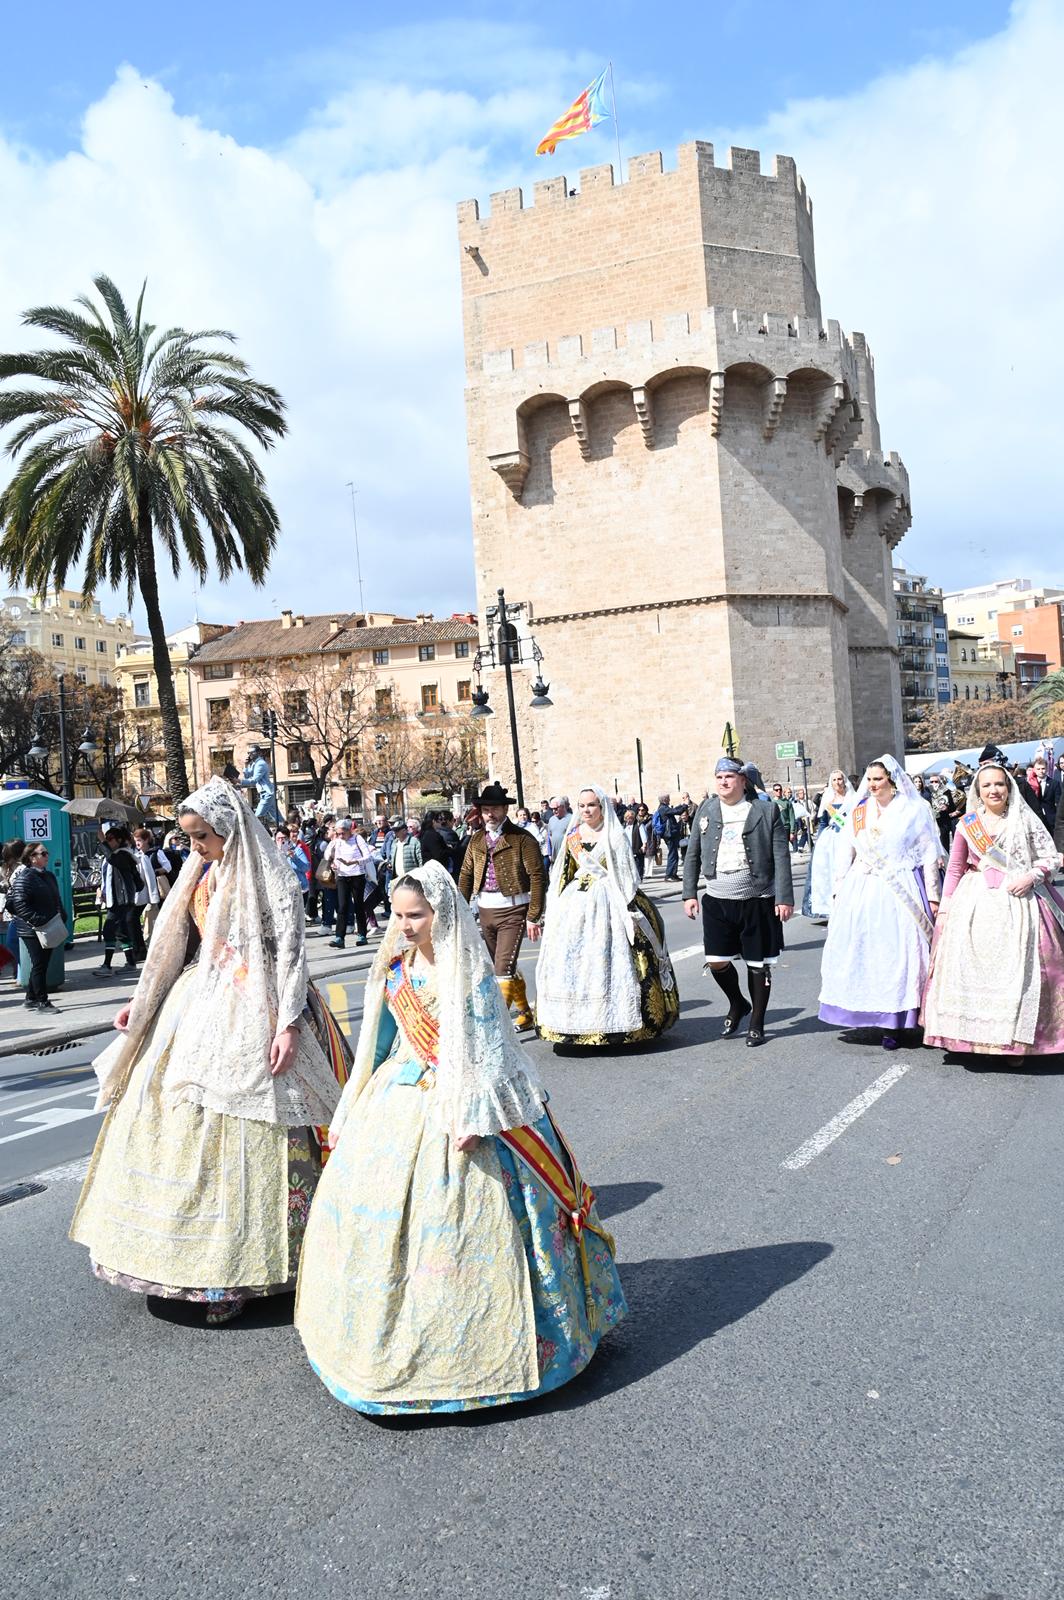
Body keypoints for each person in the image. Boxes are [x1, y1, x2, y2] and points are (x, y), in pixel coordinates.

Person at [294, 863, 626, 1413]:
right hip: (400, 1099)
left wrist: (472, 1114)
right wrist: (357, 1101)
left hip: (463, 1103)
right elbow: (378, 1043)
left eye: (415, 916)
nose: (403, 926)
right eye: (398, 915)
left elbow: (490, 1048)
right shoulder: (395, 968)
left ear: (441, 914)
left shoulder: (467, 972)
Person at [69, 777, 348, 1326]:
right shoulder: (200, 872)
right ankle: (186, 1258)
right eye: (189, 836)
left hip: (262, 1005)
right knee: (175, 1117)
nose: (195, 845)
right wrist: (140, 1004)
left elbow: (291, 954)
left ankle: (251, 1266)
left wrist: (288, 1024)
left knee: (261, 1125)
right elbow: (177, 943)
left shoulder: (271, 877)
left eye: (202, 836)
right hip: (198, 1001)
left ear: (228, 829)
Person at [921, 750, 1064, 1056]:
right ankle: (974, 1037)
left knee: (1028, 970)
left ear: (1008, 787)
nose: (993, 790)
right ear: (978, 791)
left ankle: (1018, 1044)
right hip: (975, 903)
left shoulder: (1025, 819)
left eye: (999, 784)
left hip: (1021, 900)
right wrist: (945, 908)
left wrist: (1032, 877)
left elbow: (1050, 858)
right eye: (986, 786)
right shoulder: (968, 824)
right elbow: (955, 868)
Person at [536, 786, 679, 1047]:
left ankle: (621, 1023)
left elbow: (626, 873)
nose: (586, 810)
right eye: (582, 806)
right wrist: (554, 909)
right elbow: (564, 874)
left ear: (602, 808)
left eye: (591, 805)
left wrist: (627, 905)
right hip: (576, 903)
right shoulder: (573, 837)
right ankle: (575, 1023)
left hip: (611, 900)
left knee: (618, 957)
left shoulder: (614, 835)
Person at [818, 755, 941, 1048]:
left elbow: (928, 854)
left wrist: (933, 894)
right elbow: (846, 850)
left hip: (900, 888)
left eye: (878, 779)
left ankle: (897, 1021)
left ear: (892, 780)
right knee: (867, 951)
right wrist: (838, 887)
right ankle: (872, 1011)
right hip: (863, 888)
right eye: (870, 779)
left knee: (900, 953)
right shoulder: (859, 810)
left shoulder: (914, 809)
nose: (872, 785)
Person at [683, 757, 794, 1047]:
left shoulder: (765, 810)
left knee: (757, 964)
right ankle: (738, 1002)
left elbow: (781, 855)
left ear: (743, 780)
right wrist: (689, 893)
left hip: (756, 899)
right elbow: (693, 852)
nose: (723, 782)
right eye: (719, 777)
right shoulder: (706, 808)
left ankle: (757, 1022)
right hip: (717, 899)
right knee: (716, 961)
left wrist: (784, 897)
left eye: (729, 777)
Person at [458, 781, 546, 1032]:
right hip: (485, 910)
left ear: (505, 810)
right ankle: (525, 1015)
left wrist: (534, 916)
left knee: (502, 968)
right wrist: (461, 909)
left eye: (495, 809)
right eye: (486, 810)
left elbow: (538, 876)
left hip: (514, 910)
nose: (490, 814)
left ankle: (496, 1027)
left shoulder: (522, 839)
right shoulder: (477, 839)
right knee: (503, 967)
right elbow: (466, 874)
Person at [7, 841, 66, 1012]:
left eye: (46, 853)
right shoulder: (25, 877)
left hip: (49, 926)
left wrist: (61, 914)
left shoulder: (48, 876)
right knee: (39, 964)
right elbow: (19, 905)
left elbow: (56, 898)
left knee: (41, 964)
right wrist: (38, 920)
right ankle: (42, 1002)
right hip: (31, 929)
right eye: (43, 853)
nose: (47, 856)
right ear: (32, 858)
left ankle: (31, 998)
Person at [802, 771, 856, 922]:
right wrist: (819, 842)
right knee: (829, 872)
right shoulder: (828, 800)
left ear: (844, 781)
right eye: (834, 780)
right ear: (831, 782)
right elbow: (823, 822)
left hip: (848, 837)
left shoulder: (852, 798)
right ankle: (829, 907)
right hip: (831, 839)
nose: (838, 782)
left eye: (840, 779)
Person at [95, 827, 143, 976]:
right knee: (121, 932)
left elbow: (113, 860)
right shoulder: (115, 855)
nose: (108, 841)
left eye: (110, 839)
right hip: (115, 899)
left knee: (109, 930)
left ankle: (107, 966)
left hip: (121, 900)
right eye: (107, 838)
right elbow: (109, 877)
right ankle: (130, 962)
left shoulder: (122, 854)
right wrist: (103, 891)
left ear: (119, 840)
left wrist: (102, 842)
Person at [324, 817, 373, 949]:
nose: (341, 836)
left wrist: (355, 861)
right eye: (338, 833)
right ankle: (339, 937)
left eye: (343, 833)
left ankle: (362, 934)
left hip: (357, 874)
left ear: (349, 830)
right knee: (342, 906)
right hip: (342, 875)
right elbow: (327, 855)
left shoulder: (357, 839)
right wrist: (333, 863)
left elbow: (368, 856)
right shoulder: (337, 841)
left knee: (358, 905)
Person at [236, 743, 281, 826]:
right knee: (277, 817)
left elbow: (253, 780)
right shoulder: (254, 764)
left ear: (259, 753)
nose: (250, 755)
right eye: (248, 753)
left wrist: (238, 781)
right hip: (266, 793)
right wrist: (246, 765)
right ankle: (287, 828)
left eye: (252, 752)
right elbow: (247, 776)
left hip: (267, 794)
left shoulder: (260, 764)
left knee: (256, 817)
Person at [1, 836, 26, 979]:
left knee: (12, 941)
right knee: (14, 942)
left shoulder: (21, 869)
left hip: (19, 913)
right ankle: (22, 971)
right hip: (15, 913)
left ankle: (24, 970)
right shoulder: (12, 869)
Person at [652, 793, 687, 881]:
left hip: (671, 835)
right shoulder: (663, 808)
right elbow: (676, 812)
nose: (669, 800)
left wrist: (681, 805)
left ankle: (673, 874)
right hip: (669, 835)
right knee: (672, 855)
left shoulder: (664, 808)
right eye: (668, 799)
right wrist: (685, 805)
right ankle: (669, 875)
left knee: (674, 854)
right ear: (665, 800)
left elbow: (674, 810)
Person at [546, 795, 572, 861]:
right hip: (555, 856)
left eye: (556, 808)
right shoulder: (551, 819)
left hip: (567, 856)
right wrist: (550, 853)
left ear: (563, 807)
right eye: (552, 809)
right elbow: (549, 836)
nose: (554, 811)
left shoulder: (571, 819)